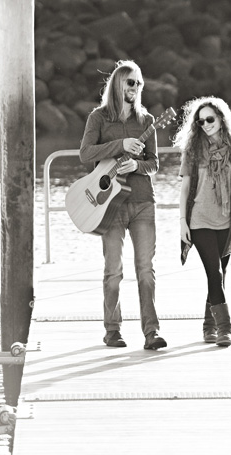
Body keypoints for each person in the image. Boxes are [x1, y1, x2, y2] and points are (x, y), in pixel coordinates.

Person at [79, 60, 166, 350]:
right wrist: (121, 145)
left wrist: (136, 166)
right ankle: (112, 330)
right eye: (131, 82)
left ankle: (151, 333)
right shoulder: (99, 118)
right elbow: (86, 153)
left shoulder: (148, 121)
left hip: (142, 203)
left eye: (140, 83)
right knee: (113, 270)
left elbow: (154, 164)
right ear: (118, 83)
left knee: (145, 270)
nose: (136, 88)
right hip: (110, 207)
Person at [173, 96, 231, 347]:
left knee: (220, 273)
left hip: (226, 221)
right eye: (200, 121)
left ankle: (208, 326)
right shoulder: (193, 151)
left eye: (210, 119)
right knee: (214, 273)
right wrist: (183, 222)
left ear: (221, 119)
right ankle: (225, 328)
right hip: (199, 220)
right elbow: (185, 189)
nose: (205, 124)